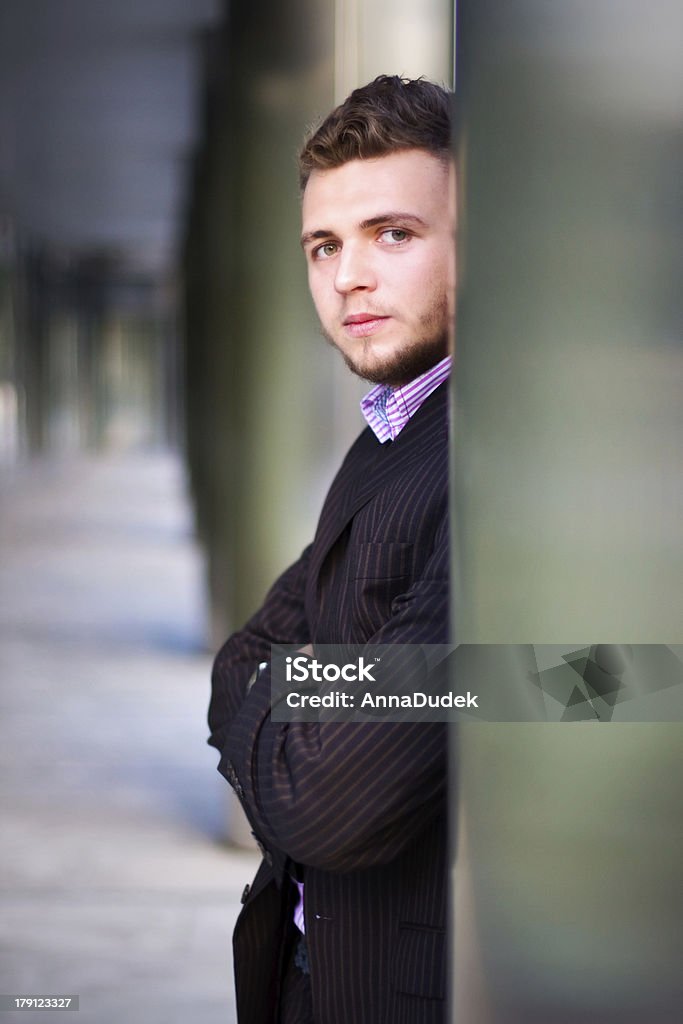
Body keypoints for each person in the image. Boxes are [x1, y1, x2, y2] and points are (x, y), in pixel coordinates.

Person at [208, 74, 454, 1024]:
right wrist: (301, 684)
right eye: (324, 245)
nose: (348, 275)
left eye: (393, 234)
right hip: (316, 968)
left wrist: (286, 683)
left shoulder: (490, 460)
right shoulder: (389, 432)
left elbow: (327, 802)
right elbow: (247, 648)